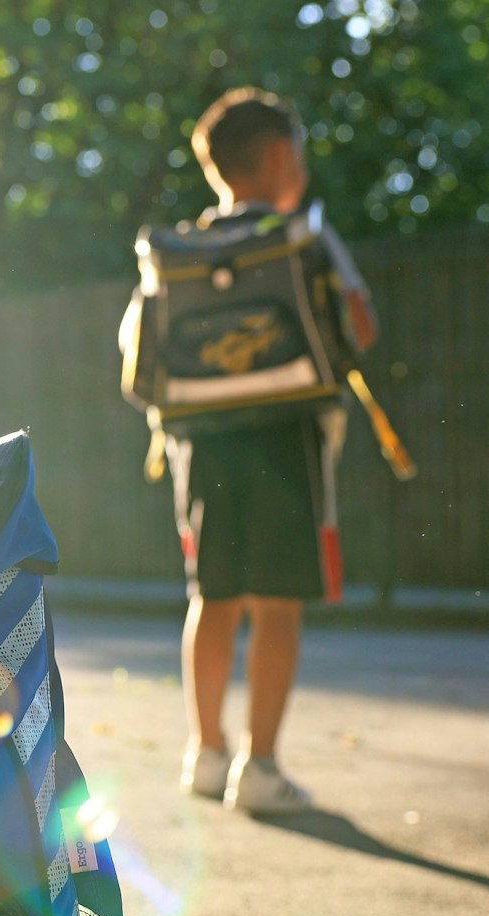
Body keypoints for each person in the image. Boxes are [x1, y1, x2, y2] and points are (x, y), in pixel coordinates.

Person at [165, 88, 378, 814]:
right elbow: (358, 329)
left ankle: (205, 753)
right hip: (287, 441)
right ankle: (260, 768)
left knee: (212, 595)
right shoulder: (304, 238)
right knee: (277, 603)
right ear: (283, 156)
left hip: (203, 444)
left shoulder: (181, 251)